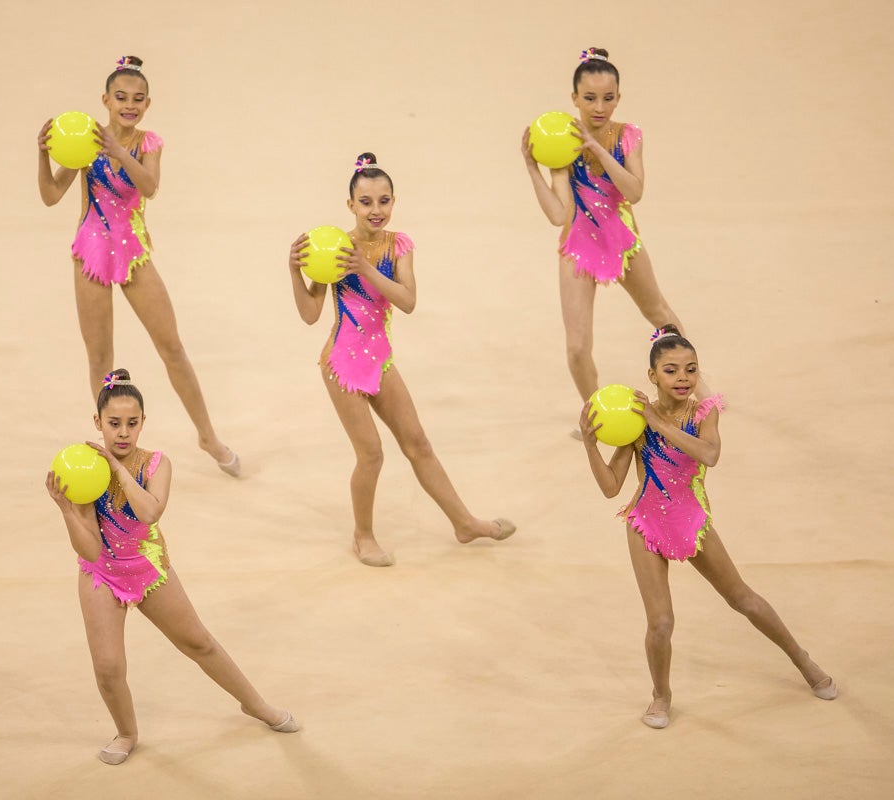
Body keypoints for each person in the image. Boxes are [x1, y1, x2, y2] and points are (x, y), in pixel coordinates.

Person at [579, 326, 836, 729]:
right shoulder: (635, 422)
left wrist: (655, 421)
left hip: (691, 521)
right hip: (645, 523)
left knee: (744, 600)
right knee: (661, 622)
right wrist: (591, 446)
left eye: (690, 369)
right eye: (671, 370)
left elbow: (709, 455)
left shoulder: (703, 412)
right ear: (652, 376)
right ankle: (660, 695)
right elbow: (611, 488)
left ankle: (804, 660)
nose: (683, 378)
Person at [45, 369, 297, 765]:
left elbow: (150, 512)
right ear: (98, 423)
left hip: (148, 568)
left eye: (132, 424)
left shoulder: (157, 464)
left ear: (144, 422)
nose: (123, 433)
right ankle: (127, 732)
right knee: (108, 666)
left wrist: (116, 467)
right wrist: (67, 511)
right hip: (102, 574)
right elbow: (91, 551)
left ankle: (256, 704)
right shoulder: (83, 470)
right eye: (113, 424)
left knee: (199, 643)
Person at [286, 154, 516, 567]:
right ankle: (363, 535)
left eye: (384, 201)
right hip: (341, 364)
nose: (376, 210)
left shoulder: (399, 245)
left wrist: (365, 269)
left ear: (393, 202)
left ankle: (464, 523)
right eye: (366, 202)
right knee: (371, 453)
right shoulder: (334, 247)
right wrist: (293, 271)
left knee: (419, 444)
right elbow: (309, 314)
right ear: (350, 205)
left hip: (380, 360)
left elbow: (407, 301)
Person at [37, 55, 239, 476]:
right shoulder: (85, 141)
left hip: (132, 250)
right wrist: (43, 155)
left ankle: (207, 435)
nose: (129, 106)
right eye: (121, 98)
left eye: (138, 99)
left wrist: (117, 151)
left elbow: (149, 186)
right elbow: (52, 195)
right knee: (100, 359)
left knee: (172, 347)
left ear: (148, 104)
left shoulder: (149, 144)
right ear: (105, 100)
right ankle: (115, 453)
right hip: (90, 250)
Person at [522, 47, 702, 406]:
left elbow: (634, 192)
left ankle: (697, 388)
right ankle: (594, 411)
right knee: (576, 347)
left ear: (619, 98)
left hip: (622, 241)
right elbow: (559, 215)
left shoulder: (628, 136)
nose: (599, 107)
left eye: (607, 98)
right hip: (578, 247)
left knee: (658, 314)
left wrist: (599, 150)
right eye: (589, 98)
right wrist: (532, 167)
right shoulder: (563, 145)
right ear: (574, 98)